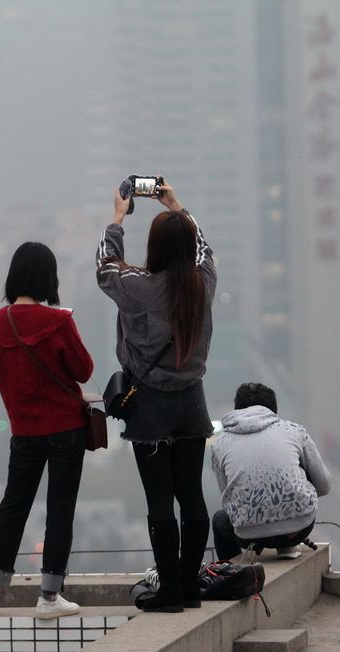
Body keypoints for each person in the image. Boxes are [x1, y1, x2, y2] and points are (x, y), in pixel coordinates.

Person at [95, 180, 216, 613]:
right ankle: (189, 584)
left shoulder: (137, 286)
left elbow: (104, 268)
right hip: (193, 401)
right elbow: (205, 252)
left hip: (149, 406)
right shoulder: (203, 282)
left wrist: (117, 218)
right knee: (193, 496)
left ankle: (169, 592)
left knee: (159, 501)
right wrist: (178, 207)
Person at [0, 242, 94, 618]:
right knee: (59, 511)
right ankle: (50, 597)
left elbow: (4, 374)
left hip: (24, 430)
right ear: (48, 278)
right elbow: (83, 370)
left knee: (13, 506)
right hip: (66, 428)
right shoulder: (59, 322)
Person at [210, 383, 331, 561]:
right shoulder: (294, 431)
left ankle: (232, 575)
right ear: (273, 410)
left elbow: (227, 497)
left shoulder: (219, 444)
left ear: (237, 409)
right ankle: (287, 547)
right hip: (299, 528)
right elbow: (324, 486)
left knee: (220, 520)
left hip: (248, 535)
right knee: (294, 468)